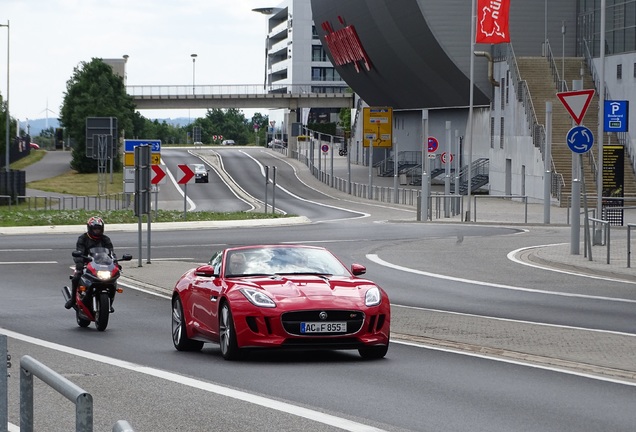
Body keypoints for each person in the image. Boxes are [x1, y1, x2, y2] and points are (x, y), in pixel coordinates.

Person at [65, 216, 115, 309]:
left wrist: (115, 263)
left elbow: (111, 253)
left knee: (113, 281)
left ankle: (109, 302)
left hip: (101, 264)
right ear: (90, 228)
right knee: (76, 277)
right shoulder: (83, 238)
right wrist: (79, 263)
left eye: (99, 229)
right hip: (86, 264)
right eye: (95, 229)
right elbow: (79, 251)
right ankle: (72, 300)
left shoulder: (105, 239)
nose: (97, 231)